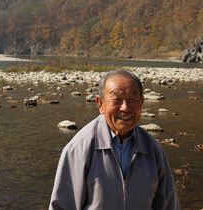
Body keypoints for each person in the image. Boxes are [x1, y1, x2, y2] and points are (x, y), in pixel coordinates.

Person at [49, 70, 180, 209]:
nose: (125, 108)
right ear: (100, 104)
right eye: (117, 100)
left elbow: (169, 205)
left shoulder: (152, 149)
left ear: (141, 103)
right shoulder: (79, 148)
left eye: (132, 100)